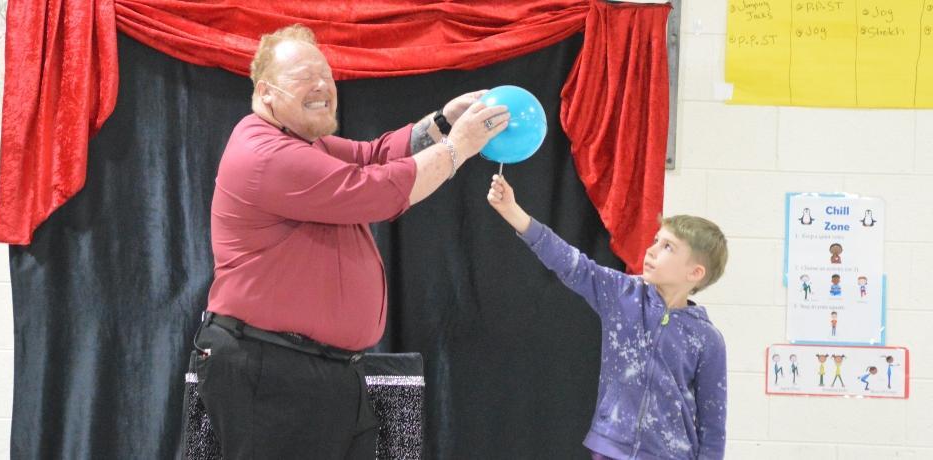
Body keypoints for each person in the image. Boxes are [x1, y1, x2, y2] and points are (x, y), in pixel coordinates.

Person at [191, 24, 509, 459]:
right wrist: (456, 149)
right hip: (270, 373)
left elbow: (372, 154)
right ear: (266, 93)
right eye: (305, 75)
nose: (323, 84)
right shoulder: (266, 155)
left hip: (319, 372)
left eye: (326, 73)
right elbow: (373, 189)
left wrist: (441, 121)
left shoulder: (304, 142)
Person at [486, 175, 729, 460]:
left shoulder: (707, 340)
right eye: (656, 240)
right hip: (609, 450)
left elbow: (713, 429)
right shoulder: (622, 294)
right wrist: (513, 212)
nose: (651, 251)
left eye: (668, 247)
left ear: (695, 273)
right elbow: (571, 263)